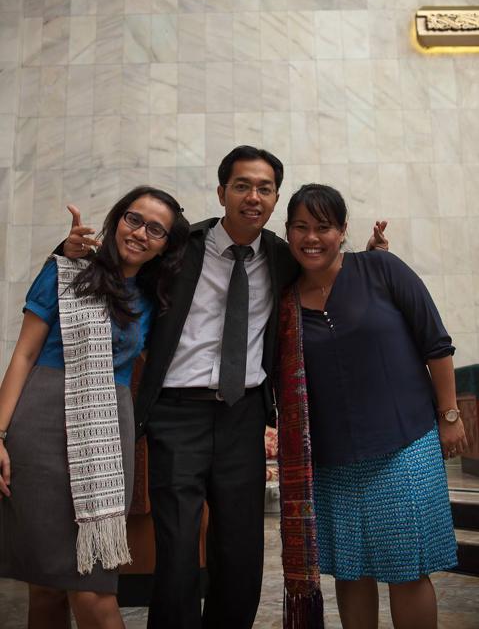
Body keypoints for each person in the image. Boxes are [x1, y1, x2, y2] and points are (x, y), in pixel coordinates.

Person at [61, 147, 388, 629]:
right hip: (177, 412)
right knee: (177, 549)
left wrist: (370, 263)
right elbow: (125, 262)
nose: (253, 196)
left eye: (264, 188)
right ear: (221, 192)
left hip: (244, 413)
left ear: (274, 199)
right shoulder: (180, 246)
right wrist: (70, 251)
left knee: (239, 551)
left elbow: (325, 263)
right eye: (242, 186)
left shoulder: (281, 256)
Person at [277, 183, 468, 629]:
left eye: (323, 227)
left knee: (407, 567)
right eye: (301, 227)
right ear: (287, 233)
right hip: (331, 457)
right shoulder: (283, 300)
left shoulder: (381, 268)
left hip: (405, 444)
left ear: (342, 230)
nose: (312, 237)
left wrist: (449, 414)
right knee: (351, 569)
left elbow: (436, 343)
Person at [0, 186, 189, 629]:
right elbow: (24, 354)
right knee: (45, 585)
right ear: (117, 219)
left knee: (92, 590)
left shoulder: (154, 298)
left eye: (156, 229)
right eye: (134, 219)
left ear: (166, 246)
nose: (140, 233)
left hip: (107, 434)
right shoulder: (66, 270)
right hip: (40, 427)